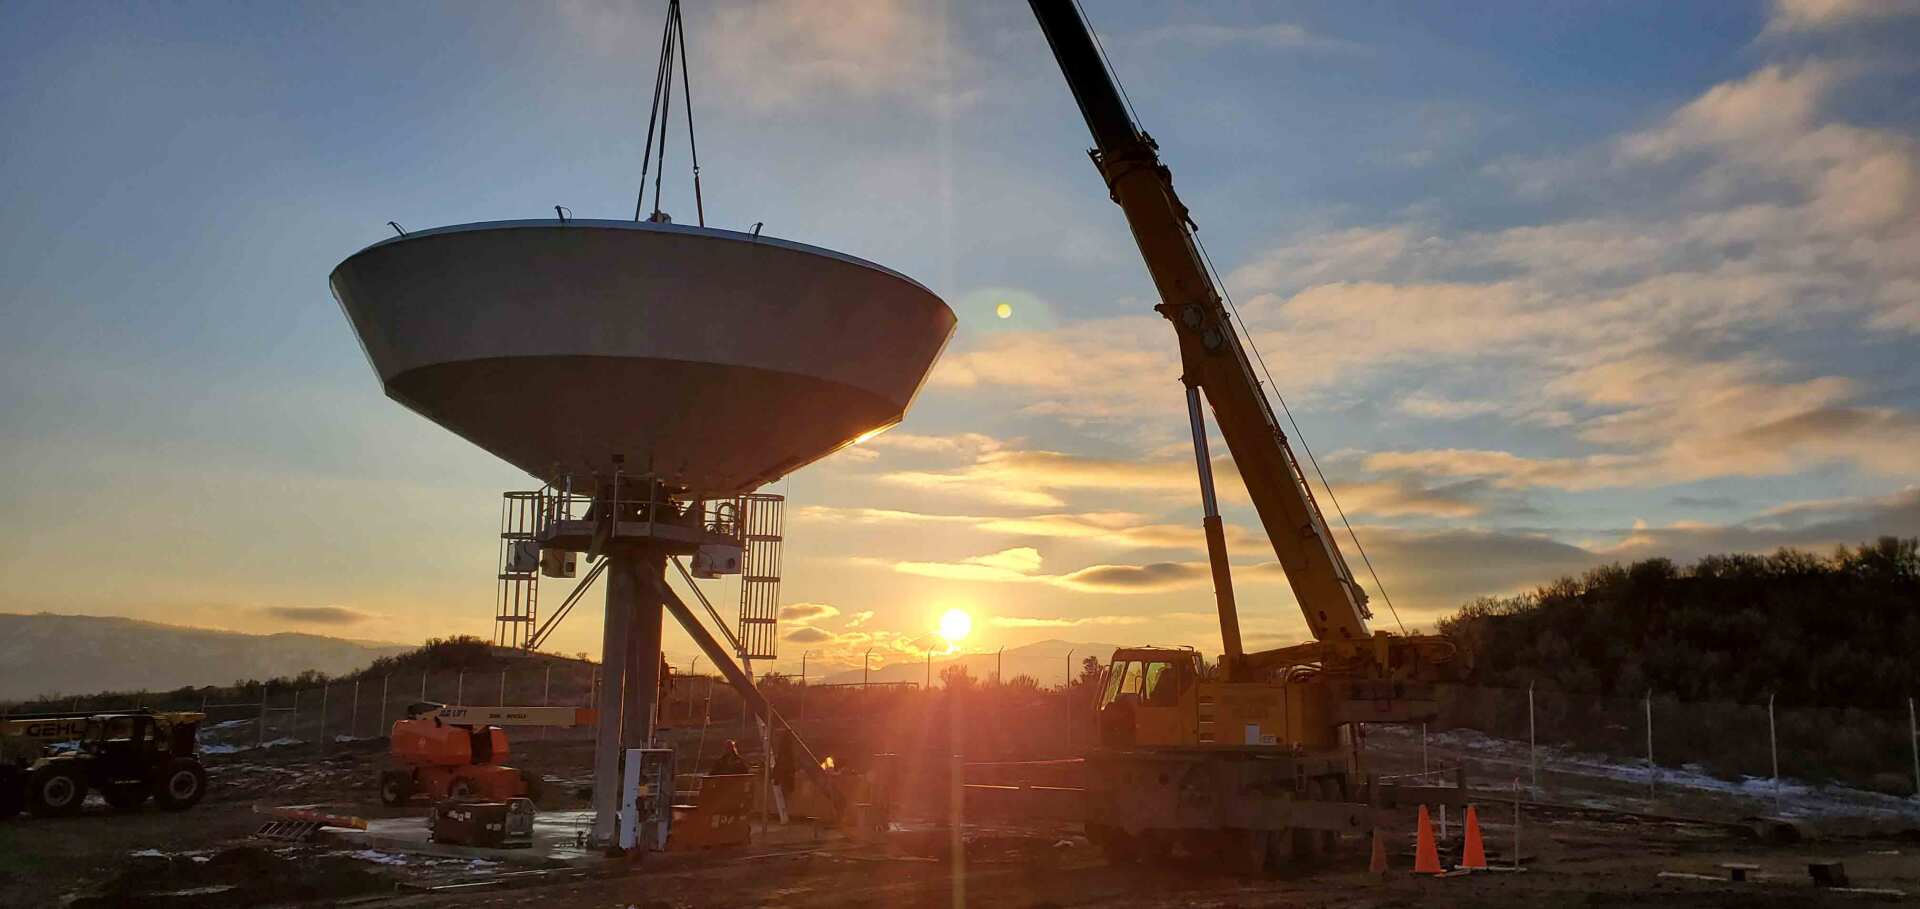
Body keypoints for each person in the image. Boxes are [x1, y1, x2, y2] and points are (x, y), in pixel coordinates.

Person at [770, 729, 796, 824]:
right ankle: (784, 814)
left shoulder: (784, 749)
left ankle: (783, 814)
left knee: (784, 796)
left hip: (785, 775)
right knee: (785, 796)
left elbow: (781, 761)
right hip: (786, 775)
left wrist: (776, 775)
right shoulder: (788, 749)